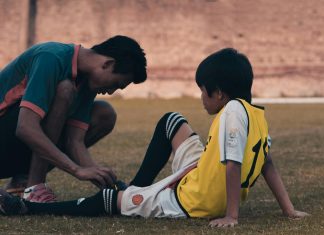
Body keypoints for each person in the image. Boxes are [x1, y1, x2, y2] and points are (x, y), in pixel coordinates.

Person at [0, 48, 308, 227]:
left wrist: (231, 215)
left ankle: (31, 208)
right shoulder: (256, 114)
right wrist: (288, 209)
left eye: (202, 91)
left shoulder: (230, 113)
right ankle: (138, 189)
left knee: (111, 200)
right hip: (201, 173)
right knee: (170, 121)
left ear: (219, 93)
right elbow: (267, 163)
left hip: (191, 199)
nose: (201, 98)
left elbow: (232, 165)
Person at [0, 35, 147, 202]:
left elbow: (74, 141)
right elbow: (25, 128)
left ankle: (22, 180)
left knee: (104, 113)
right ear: (107, 64)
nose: (111, 92)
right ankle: (34, 187)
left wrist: (104, 180)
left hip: (13, 152)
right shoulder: (51, 57)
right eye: (116, 84)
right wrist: (76, 170)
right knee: (65, 89)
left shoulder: (87, 81)